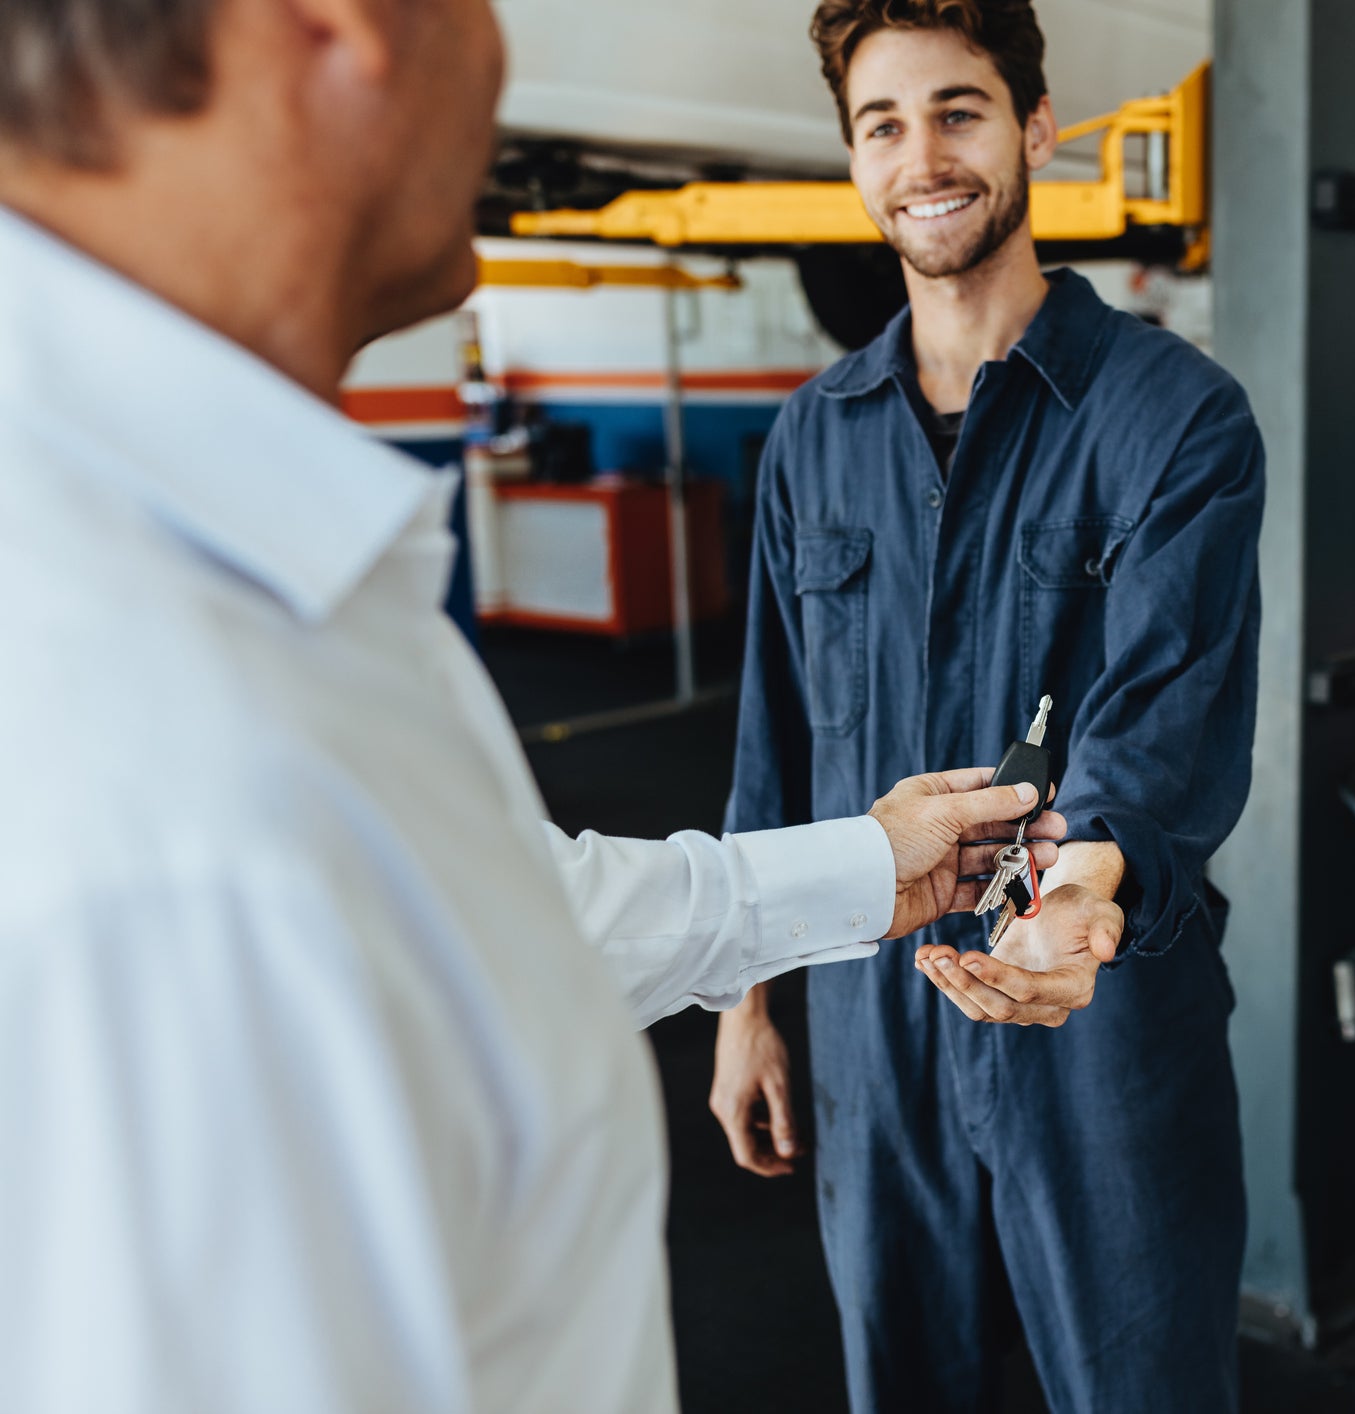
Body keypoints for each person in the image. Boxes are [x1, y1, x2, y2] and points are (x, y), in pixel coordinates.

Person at [0, 1, 1068, 1410]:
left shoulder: (245, 584)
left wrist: (863, 865)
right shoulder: (150, 749)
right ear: (339, 23)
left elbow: (493, 920)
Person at [718, 2, 1266, 1409]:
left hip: (1093, 1007)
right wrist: (746, 1002)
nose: (922, 158)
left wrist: (1076, 894)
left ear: (1035, 128)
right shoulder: (811, 437)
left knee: (1140, 1383)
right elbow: (774, 742)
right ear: (853, 157)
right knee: (902, 1376)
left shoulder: (1174, 417)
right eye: (882, 125)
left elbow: (1159, 723)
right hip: (871, 1014)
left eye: (957, 112)